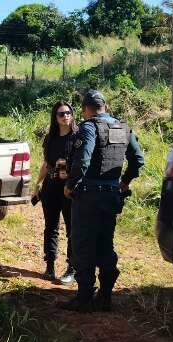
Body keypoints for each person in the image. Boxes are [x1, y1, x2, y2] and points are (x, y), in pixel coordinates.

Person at [60, 90, 145, 312]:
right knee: (105, 243)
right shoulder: (122, 128)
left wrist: (70, 185)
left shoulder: (88, 127)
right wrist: (124, 181)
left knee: (82, 244)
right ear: (105, 106)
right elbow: (137, 160)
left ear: (85, 109)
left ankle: (84, 297)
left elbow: (83, 160)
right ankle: (105, 295)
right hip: (111, 196)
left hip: (88, 196)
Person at [33, 101, 78, 284]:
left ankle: (72, 268)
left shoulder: (78, 137)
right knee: (51, 227)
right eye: (61, 114)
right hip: (51, 186)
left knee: (72, 229)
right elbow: (46, 163)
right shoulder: (50, 138)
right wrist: (38, 183)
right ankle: (49, 265)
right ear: (55, 117)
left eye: (68, 113)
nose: (65, 116)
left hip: (69, 188)